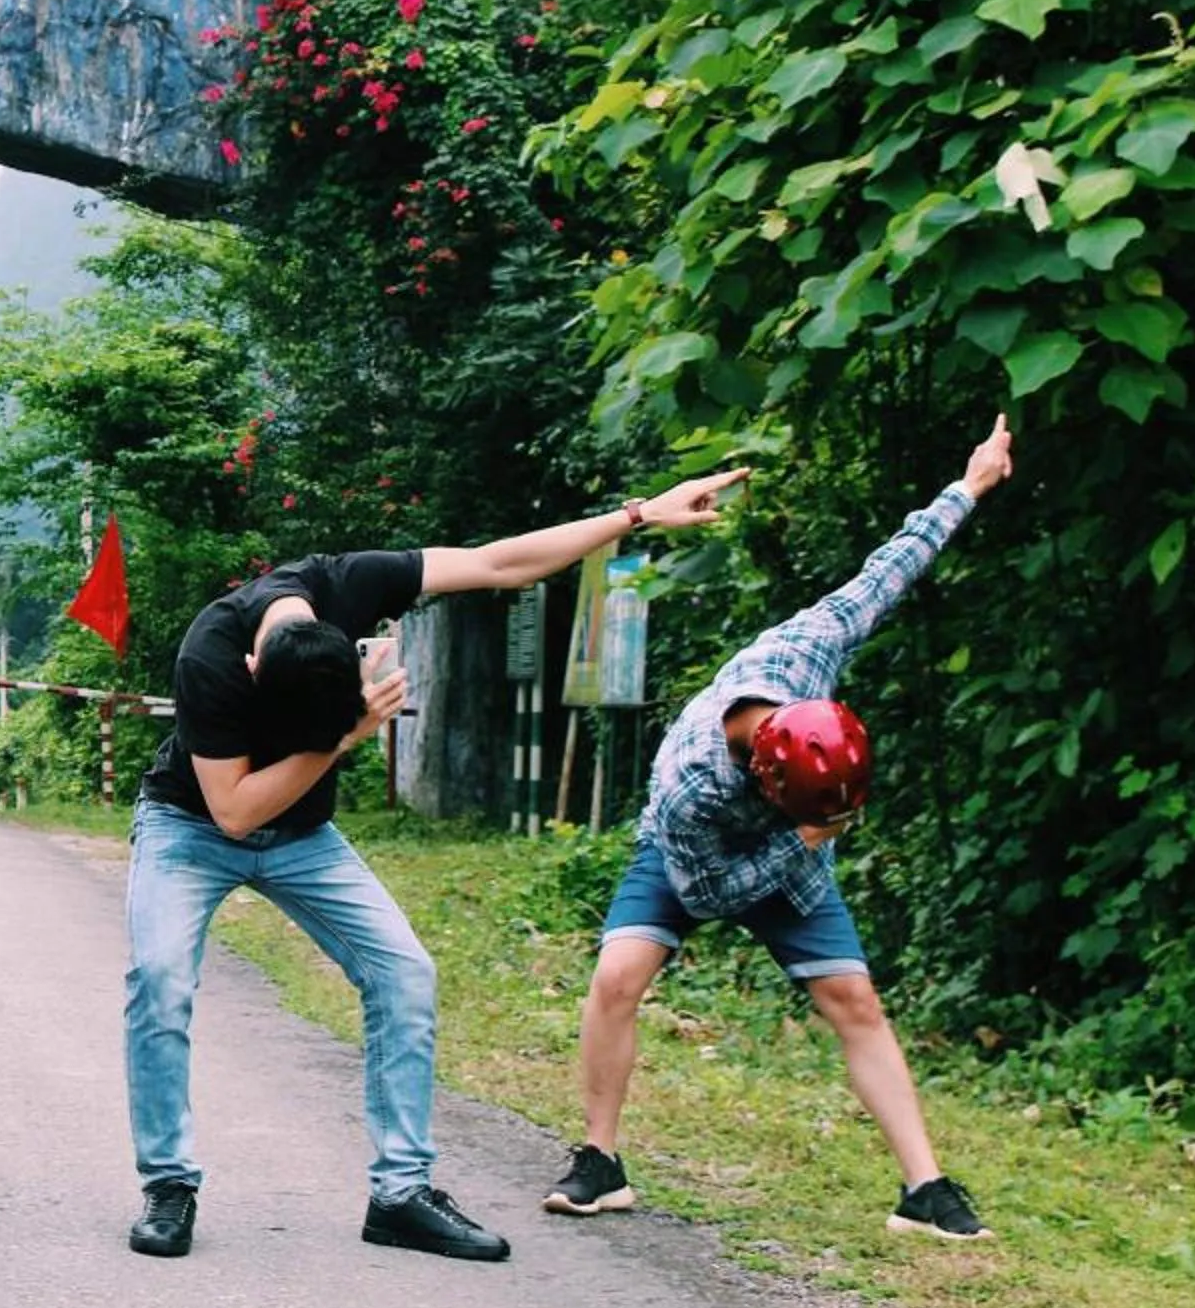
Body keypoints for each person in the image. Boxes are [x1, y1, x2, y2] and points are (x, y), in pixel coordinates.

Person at [123, 464, 752, 1264]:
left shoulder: (348, 583)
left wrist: (637, 514)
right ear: (253, 668)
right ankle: (170, 1186)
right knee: (161, 979)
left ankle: (401, 1195)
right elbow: (236, 810)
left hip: (304, 836)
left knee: (405, 974)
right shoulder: (212, 654)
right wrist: (347, 739)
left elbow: (500, 562)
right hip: (194, 824)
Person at [545, 416, 1014, 1242]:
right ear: (769, 782)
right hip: (695, 857)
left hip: (792, 851)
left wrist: (969, 485)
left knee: (853, 999)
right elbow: (712, 893)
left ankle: (926, 1188)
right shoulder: (693, 783)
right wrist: (802, 840)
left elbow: (888, 570)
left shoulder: (807, 652)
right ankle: (599, 1163)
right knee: (619, 976)